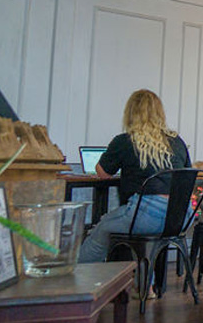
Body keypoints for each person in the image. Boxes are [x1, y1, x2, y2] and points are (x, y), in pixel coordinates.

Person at [79, 89, 192, 262]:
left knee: (102, 228)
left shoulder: (125, 141)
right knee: (122, 223)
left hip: (145, 217)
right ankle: (147, 283)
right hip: (180, 218)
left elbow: (102, 173)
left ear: (130, 113)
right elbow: (187, 175)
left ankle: (81, 277)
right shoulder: (177, 141)